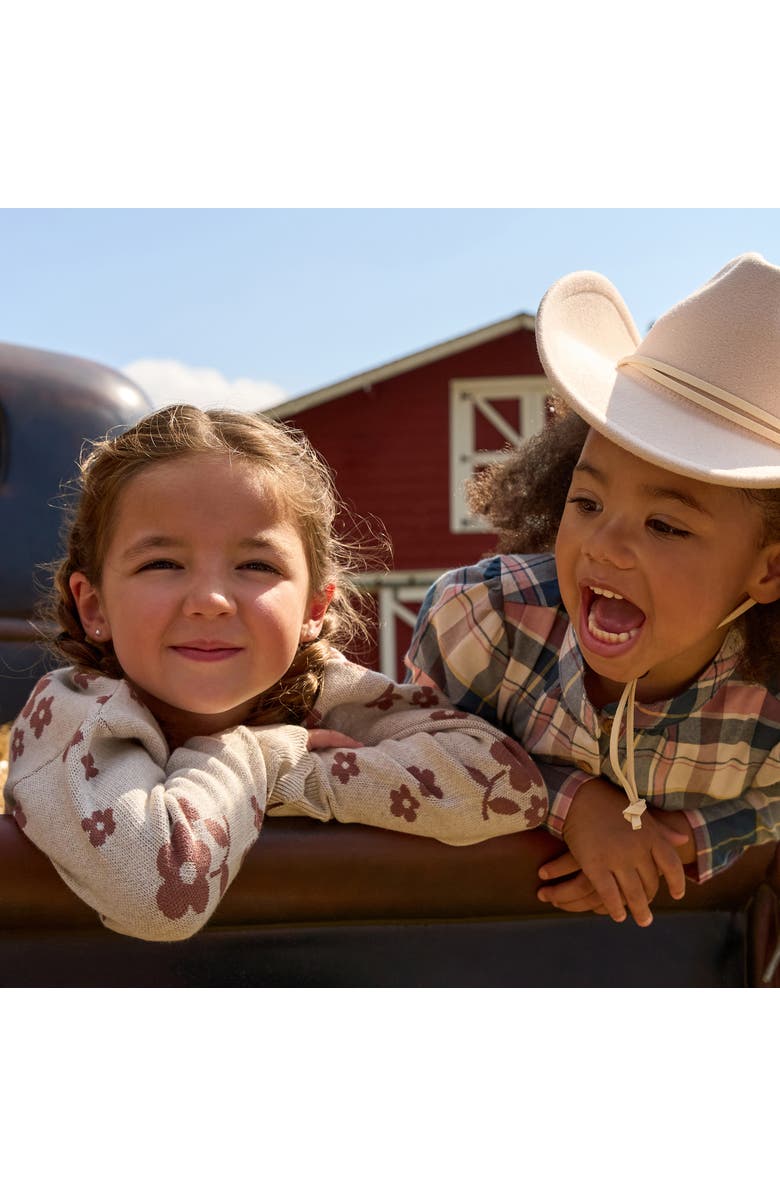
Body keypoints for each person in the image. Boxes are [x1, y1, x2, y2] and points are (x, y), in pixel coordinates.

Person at [3, 404, 547, 941]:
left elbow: (512, 787)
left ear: (313, 609)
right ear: (94, 607)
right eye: (161, 564)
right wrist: (259, 757)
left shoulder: (323, 692)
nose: (211, 600)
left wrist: (304, 777)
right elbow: (158, 892)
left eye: (256, 566)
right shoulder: (70, 716)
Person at [407, 251, 780, 931]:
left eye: (665, 524)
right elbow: (409, 748)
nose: (605, 546)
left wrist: (682, 843)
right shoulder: (482, 619)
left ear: (769, 571)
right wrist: (568, 801)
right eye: (586, 501)